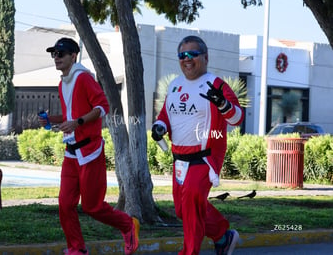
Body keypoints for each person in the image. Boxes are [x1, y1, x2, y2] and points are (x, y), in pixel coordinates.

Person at [40, 37, 139, 255]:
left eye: (61, 53)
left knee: (92, 207)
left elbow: (102, 106)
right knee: (65, 204)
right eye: (54, 54)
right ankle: (77, 248)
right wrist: (52, 120)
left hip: (90, 152)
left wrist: (78, 122)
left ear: (73, 56)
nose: (56, 58)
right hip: (71, 153)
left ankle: (128, 225)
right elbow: (70, 116)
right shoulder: (62, 83)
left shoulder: (83, 78)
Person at [151, 35, 244, 255]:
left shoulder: (216, 84)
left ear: (205, 57)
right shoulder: (175, 85)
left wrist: (222, 103)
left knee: (192, 204)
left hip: (205, 156)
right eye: (182, 55)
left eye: (193, 54)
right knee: (183, 210)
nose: (187, 59)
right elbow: (165, 114)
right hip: (180, 159)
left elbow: (237, 117)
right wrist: (160, 126)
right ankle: (223, 236)